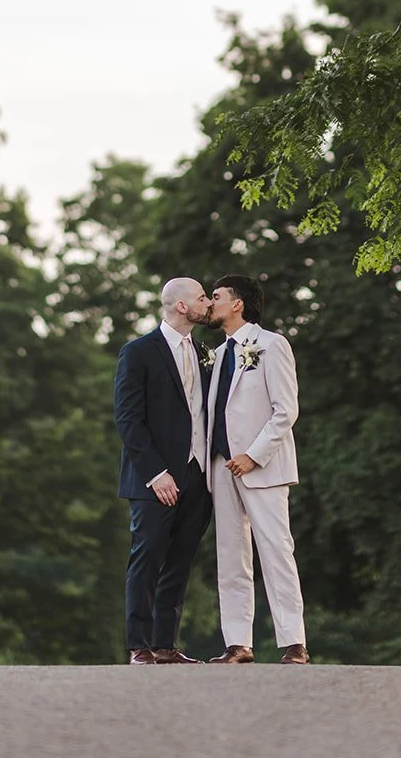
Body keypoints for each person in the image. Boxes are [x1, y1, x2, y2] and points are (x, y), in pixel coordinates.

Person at [206, 272, 309, 665]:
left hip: (261, 467)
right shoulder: (218, 354)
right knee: (231, 557)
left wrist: (254, 454)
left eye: (216, 296)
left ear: (238, 304)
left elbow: (286, 411)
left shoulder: (271, 345)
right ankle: (238, 644)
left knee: (276, 550)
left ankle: (294, 643)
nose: (210, 303)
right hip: (221, 468)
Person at [113, 277, 214, 664]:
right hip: (154, 480)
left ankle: (165, 645)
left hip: (198, 475)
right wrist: (156, 473)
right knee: (147, 557)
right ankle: (139, 646)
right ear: (183, 307)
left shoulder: (205, 352)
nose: (208, 304)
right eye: (202, 298)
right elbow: (127, 419)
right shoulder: (138, 352)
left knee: (180, 560)